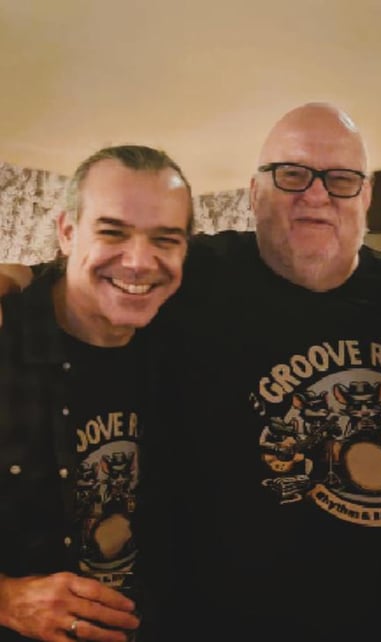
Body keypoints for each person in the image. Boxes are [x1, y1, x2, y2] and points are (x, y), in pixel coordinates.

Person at [134, 102, 381, 642]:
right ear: (255, 191)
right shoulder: (187, 278)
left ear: (367, 197)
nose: (317, 195)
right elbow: (66, 291)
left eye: (341, 179)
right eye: (292, 174)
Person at [0, 145, 192, 642]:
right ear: (67, 232)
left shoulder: (189, 332)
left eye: (165, 239)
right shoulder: (7, 342)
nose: (139, 261)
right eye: (112, 232)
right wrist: (7, 599)